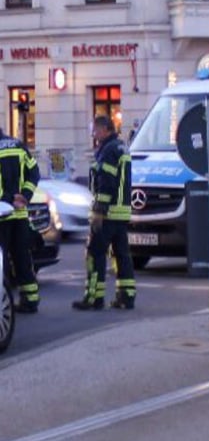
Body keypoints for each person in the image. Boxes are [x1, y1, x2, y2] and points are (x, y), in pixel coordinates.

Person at [73, 115, 136, 311]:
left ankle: (94, 297)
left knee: (95, 254)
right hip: (122, 212)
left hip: (107, 213)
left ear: (106, 129)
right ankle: (126, 296)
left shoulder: (108, 150)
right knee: (121, 255)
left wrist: (99, 210)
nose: (94, 134)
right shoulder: (121, 147)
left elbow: (106, 183)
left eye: (96, 130)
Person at [0, 126, 41, 313]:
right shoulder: (18, 145)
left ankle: (4, 302)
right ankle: (31, 299)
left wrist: (8, 199)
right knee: (22, 257)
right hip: (21, 213)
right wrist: (24, 195)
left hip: (2, 213)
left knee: (2, 261)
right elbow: (34, 173)